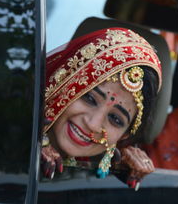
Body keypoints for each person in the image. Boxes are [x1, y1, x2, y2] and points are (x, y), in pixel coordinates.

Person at [41, 27, 162, 190]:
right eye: (89, 98)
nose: (93, 124)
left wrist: (121, 168)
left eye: (115, 119)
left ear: (123, 136)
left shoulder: (100, 182)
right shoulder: (2, 129)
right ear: (65, 82)